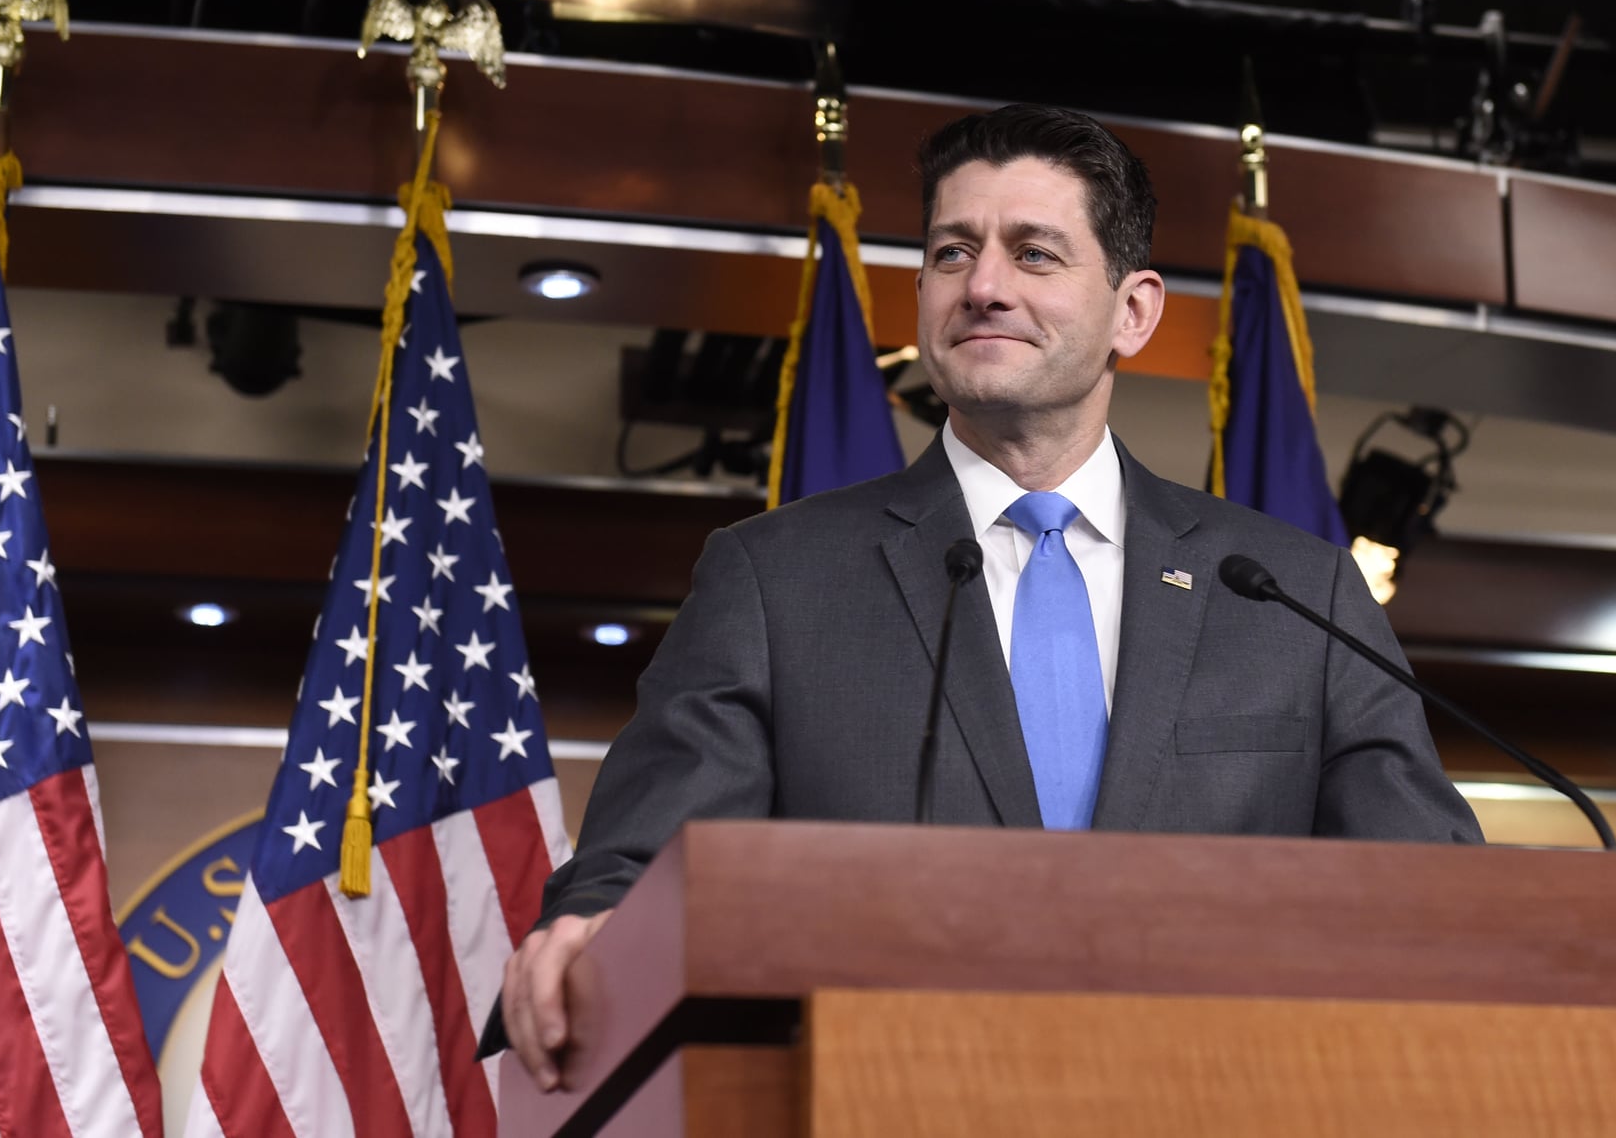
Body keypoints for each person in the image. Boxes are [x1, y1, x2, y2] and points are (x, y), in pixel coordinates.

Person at [495, 103, 1482, 1089]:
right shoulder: (774, 580)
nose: (982, 286)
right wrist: (588, 931)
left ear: (1131, 311)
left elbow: (1439, 897)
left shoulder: (1293, 591)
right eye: (951, 251)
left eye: (1034, 254)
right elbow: (631, 876)